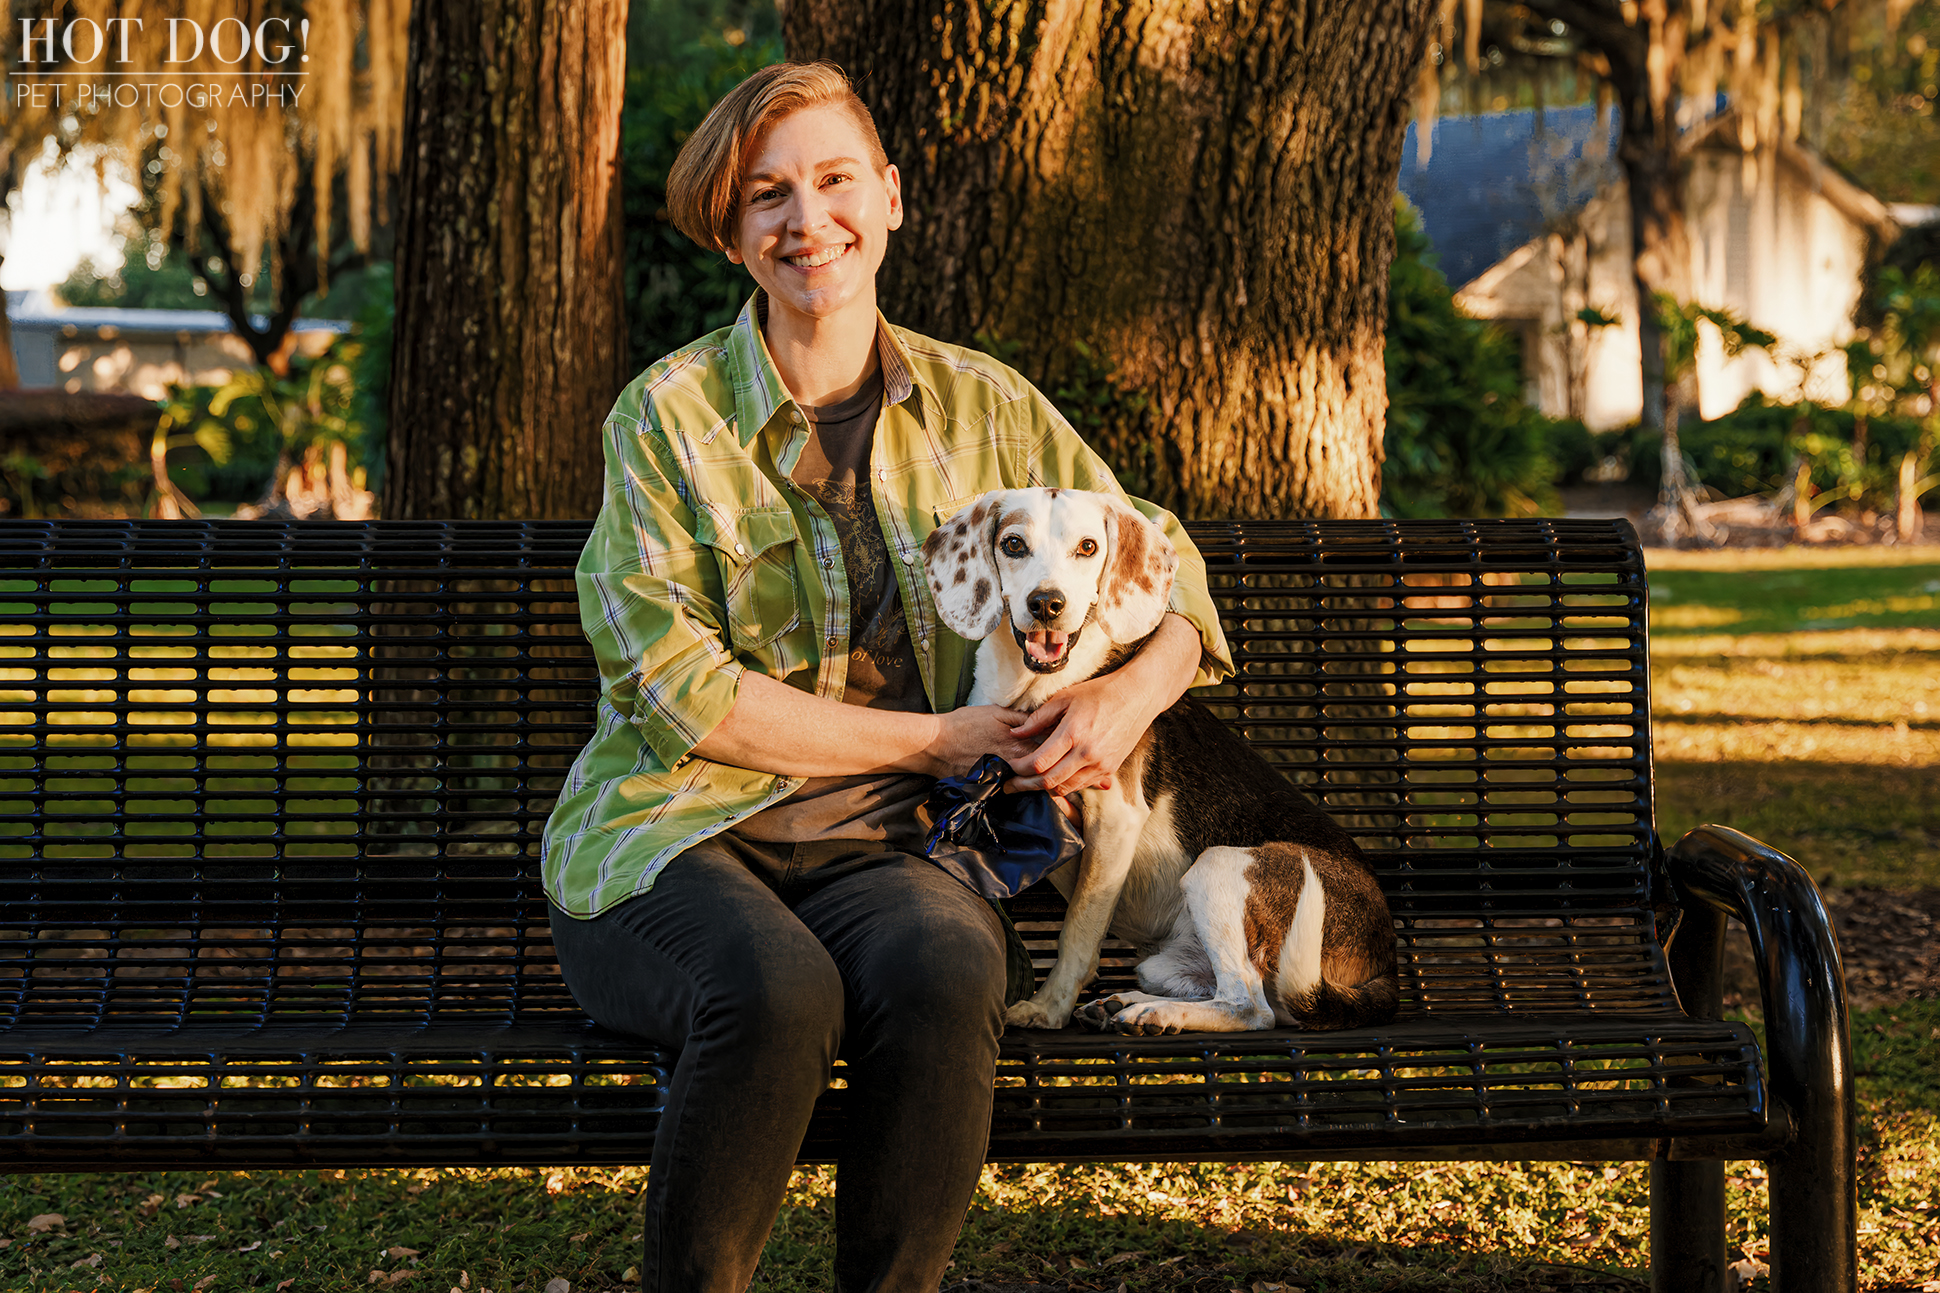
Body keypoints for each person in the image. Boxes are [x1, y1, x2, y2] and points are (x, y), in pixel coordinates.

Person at [541, 61, 1232, 1293]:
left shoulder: (986, 405)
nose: (808, 220)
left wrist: (1137, 687)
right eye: (767, 195)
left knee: (947, 965)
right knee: (773, 993)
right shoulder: (666, 419)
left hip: (892, 850)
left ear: (892, 197)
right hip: (676, 838)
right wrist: (935, 742)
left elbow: (1159, 555)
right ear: (732, 229)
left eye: (834, 179)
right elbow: (676, 692)